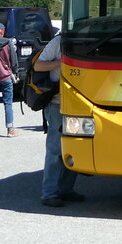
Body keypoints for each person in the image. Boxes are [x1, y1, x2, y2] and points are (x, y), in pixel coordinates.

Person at [35, 28, 83, 208]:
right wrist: (59, 62)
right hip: (57, 103)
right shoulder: (58, 42)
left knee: (76, 145)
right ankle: (49, 193)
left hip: (78, 103)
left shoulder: (87, 41)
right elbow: (38, 65)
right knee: (55, 149)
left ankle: (66, 189)